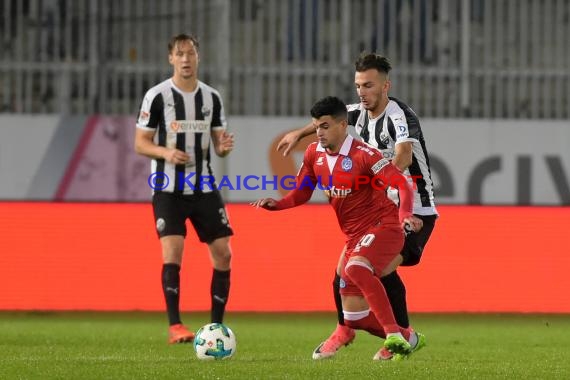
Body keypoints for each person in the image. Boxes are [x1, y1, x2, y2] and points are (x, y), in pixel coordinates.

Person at [277, 53, 436, 360]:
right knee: (341, 276)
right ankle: (345, 329)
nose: (362, 92)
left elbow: (402, 156)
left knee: (378, 269)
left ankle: (403, 337)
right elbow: (327, 120)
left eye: (369, 85)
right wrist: (299, 133)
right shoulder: (356, 112)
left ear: (386, 85)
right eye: (358, 85)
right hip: (376, 215)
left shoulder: (400, 116)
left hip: (415, 209)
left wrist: (379, 180)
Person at [134, 34, 235, 344]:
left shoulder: (211, 98)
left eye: (191, 53)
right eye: (180, 54)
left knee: (224, 254)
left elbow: (218, 146)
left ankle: (216, 327)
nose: (186, 59)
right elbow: (140, 143)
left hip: (203, 186)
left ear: (198, 57)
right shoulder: (157, 96)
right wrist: (166, 153)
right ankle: (175, 325)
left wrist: (223, 147)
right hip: (168, 188)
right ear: (171, 58)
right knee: (173, 251)